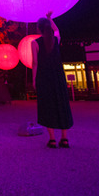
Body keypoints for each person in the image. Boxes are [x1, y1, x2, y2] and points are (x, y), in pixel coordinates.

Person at [31, 11, 73, 148]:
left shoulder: (35, 43)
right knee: (61, 103)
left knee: (47, 105)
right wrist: (50, 18)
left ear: (39, 28)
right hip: (58, 76)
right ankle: (65, 138)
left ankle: (52, 139)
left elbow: (35, 63)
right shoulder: (55, 40)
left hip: (44, 76)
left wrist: (34, 80)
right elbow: (57, 30)